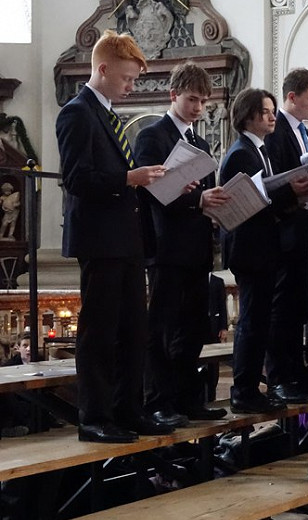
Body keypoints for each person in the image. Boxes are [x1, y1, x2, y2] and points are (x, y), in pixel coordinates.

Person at [56, 29, 172, 443]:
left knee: (132, 331)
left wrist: (143, 181)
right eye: (126, 79)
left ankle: (128, 409)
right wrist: (128, 177)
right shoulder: (76, 112)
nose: (131, 86)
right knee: (100, 332)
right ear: (102, 69)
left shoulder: (105, 113)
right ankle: (95, 416)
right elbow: (75, 178)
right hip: (100, 241)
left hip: (125, 240)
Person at [134, 61, 230, 425]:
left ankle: (188, 398)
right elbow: (150, 193)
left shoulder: (200, 142)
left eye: (204, 101)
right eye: (192, 99)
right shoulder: (152, 136)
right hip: (166, 246)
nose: (198, 108)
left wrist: (218, 203)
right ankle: (158, 401)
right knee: (161, 328)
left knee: (192, 328)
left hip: (196, 246)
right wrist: (197, 200)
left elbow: (202, 193)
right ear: (173, 95)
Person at [220, 88, 308, 414]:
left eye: (274, 111)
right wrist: (289, 194)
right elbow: (249, 203)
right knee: (252, 323)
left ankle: (250, 388)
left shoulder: (260, 151)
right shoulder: (242, 153)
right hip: (251, 248)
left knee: (258, 322)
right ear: (249, 116)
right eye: (267, 111)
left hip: (264, 247)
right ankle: (243, 390)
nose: (273, 117)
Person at [263, 68, 308, 404]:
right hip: (286, 229)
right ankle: (279, 376)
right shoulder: (278, 131)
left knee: (300, 307)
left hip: (306, 229)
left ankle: (295, 372)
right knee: (284, 309)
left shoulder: (304, 132)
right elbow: (277, 178)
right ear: (292, 97)